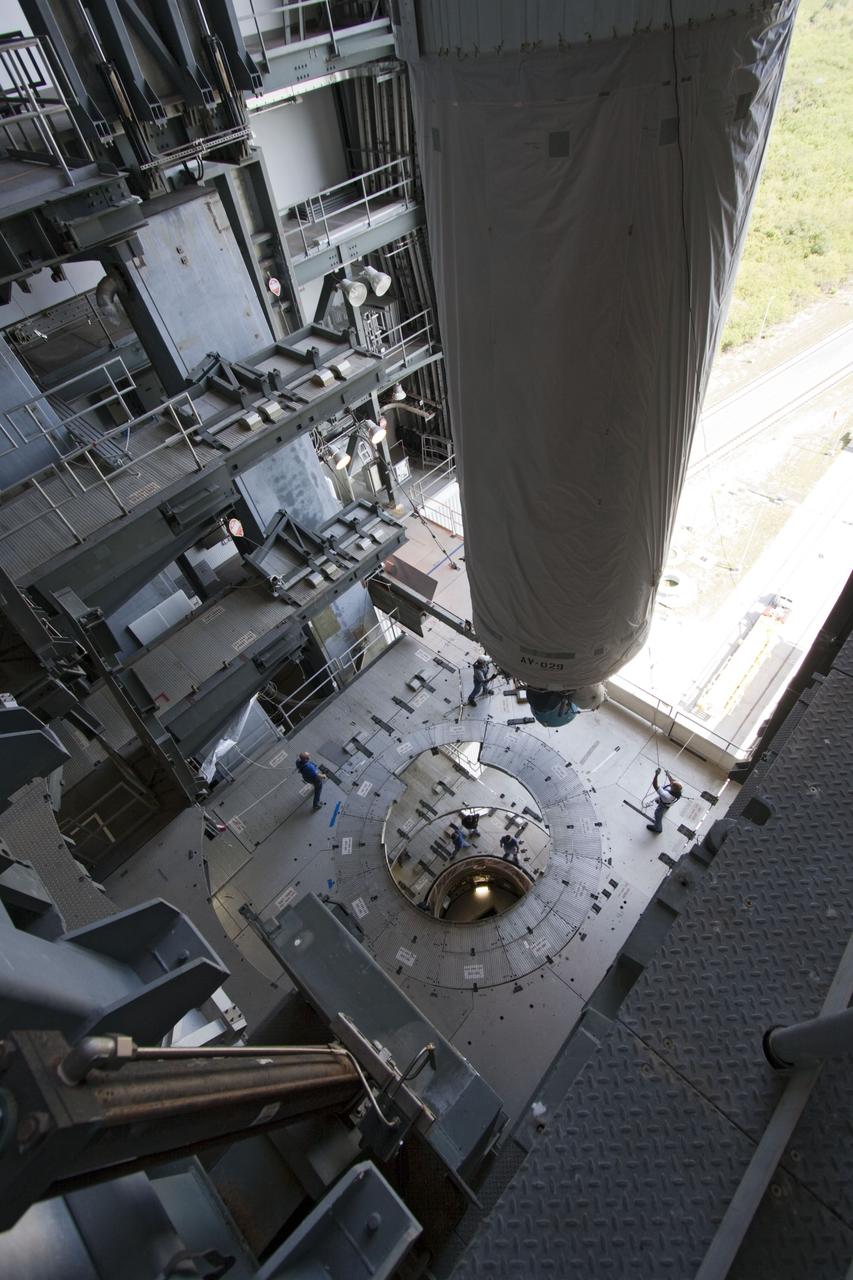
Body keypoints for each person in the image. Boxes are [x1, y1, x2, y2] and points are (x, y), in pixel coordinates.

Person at [647, 768, 682, 834]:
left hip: (664, 804)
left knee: (657, 814)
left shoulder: (666, 795)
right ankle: (662, 803)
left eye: (671, 785)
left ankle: (658, 828)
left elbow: (655, 785)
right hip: (669, 802)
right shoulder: (679, 788)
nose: (671, 783)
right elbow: (673, 781)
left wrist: (656, 775)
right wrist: (668, 775)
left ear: (673, 788)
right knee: (664, 802)